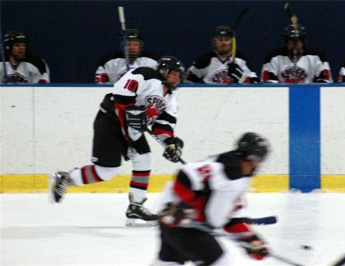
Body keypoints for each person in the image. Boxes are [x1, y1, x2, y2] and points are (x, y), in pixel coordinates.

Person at [50, 55, 186, 227]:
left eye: (178, 76)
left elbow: (163, 127)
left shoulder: (171, 100)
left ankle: (135, 206)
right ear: (163, 71)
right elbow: (121, 92)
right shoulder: (147, 75)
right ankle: (66, 178)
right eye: (173, 74)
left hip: (132, 131)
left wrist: (171, 144)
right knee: (106, 171)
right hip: (111, 121)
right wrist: (133, 111)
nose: (175, 79)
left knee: (145, 158)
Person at [153, 132, 270, 265]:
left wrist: (252, 240)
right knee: (221, 263)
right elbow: (185, 176)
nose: (258, 166)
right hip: (184, 227)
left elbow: (233, 219)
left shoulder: (240, 179)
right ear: (249, 158)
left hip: (180, 227)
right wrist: (181, 207)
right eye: (258, 160)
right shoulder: (223, 166)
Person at [260, 24, 332, 83]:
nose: (294, 47)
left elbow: (325, 83)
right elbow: (268, 85)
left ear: (303, 43)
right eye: (291, 43)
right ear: (286, 44)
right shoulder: (273, 57)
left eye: (297, 44)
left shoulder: (317, 56)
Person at [186, 25, 258, 84]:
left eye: (227, 40)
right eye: (220, 40)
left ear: (232, 42)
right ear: (214, 42)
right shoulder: (204, 61)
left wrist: (242, 79)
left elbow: (255, 84)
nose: (223, 43)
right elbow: (188, 82)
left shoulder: (241, 60)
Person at [94, 29, 160, 84]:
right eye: (128, 44)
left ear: (140, 46)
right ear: (122, 45)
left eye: (136, 44)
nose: (132, 48)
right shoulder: (109, 62)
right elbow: (100, 85)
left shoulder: (153, 61)